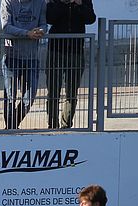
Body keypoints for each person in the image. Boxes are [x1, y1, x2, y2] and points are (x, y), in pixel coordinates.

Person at [45, 0, 95, 129]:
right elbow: (49, 18)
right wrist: (62, 3)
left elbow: (90, 19)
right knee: (53, 91)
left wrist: (79, 4)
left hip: (76, 52)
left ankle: (66, 125)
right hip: (55, 51)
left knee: (71, 92)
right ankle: (52, 124)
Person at [0, 0, 46, 129]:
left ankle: (13, 125)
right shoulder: (7, 2)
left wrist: (40, 30)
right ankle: (10, 129)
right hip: (12, 56)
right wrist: (27, 33)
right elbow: (6, 26)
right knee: (10, 96)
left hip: (32, 57)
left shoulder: (40, 3)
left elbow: (43, 24)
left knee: (30, 96)